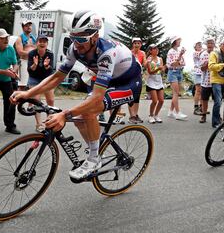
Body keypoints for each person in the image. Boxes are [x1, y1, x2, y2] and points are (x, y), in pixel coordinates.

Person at [10, 10, 142, 179]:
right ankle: (96, 147)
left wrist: (64, 114)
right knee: (80, 119)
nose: (76, 44)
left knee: (88, 111)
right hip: (110, 80)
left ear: (94, 37)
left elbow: (96, 98)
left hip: (129, 83)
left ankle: (94, 158)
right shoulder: (74, 49)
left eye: (81, 40)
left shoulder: (106, 53)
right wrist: (28, 93)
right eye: (74, 38)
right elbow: (57, 77)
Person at [27, 34, 55, 132]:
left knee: (50, 100)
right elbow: (30, 71)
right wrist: (34, 64)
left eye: (44, 41)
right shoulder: (31, 54)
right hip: (34, 79)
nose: (42, 43)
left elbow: (51, 69)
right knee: (37, 101)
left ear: (47, 44)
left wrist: (46, 66)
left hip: (47, 79)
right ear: (36, 43)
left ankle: (49, 122)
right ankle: (39, 124)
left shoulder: (50, 54)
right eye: (40, 41)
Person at [208, 38, 224, 128]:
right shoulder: (214, 53)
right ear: (220, 45)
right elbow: (211, 66)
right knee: (218, 102)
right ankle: (216, 123)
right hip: (216, 81)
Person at [166, 36, 187, 120]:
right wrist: (180, 56)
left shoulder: (178, 51)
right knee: (176, 93)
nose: (180, 42)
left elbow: (183, 63)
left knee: (175, 93)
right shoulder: (171, 51)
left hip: (179, 72)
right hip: (173, 72)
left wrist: (179, 60)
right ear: (174, 41)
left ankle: (171, 111)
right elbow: (172, 64)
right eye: (178, 40)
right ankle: (178, 113)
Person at [145, 44, 165, 123]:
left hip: (159, 80)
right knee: (155, 101)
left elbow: (162, 69)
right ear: (150, 51)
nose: (156, 50)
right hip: (151, 81)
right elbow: (150, 71)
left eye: (157, 49)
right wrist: (158, 69)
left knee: (161, 100)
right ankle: (151, 115)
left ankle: (156, 115)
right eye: (154, 49)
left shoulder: (160, 59)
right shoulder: (149, 59)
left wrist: (163, 69)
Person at [15, 20, 37, 90]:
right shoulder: (19, 38)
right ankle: (18, 100)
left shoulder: (33, 38)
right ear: (23, 27)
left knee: (33, 85)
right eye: (26, 26)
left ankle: (31, 100)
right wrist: (31, 53)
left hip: (33, 63)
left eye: (30, 25)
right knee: (22, 86)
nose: (29, 27)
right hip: (24, 62)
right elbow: (20, 52)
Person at [128, 37, 146, 124]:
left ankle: (135, 114)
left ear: (141, 44)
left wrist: (148, 62)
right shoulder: (129, 52)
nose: (137, 45)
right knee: (130, 96)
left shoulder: (142, 53)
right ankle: (131, 116)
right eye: (135, 43)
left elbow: (144, 63)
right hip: (130, 77)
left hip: (138, 76)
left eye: (139, 43)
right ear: (133, 44)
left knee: (137, 97)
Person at [199, 38, 215, 123]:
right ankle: (203, 115)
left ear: (214, 44)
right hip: (205, 81)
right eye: (208, 43)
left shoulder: (217, 53)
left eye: (211, 43)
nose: (210, 45)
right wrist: (207, 65)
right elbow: (202, 68)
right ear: (206, 44)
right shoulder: (203, 54)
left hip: (216, 80)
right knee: (204, 99)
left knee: (217, 100)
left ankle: (217, 116)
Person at [193, 41, 203, 115]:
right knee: (198, 90)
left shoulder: (203, 52)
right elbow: (201, 54)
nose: (199, 45)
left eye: (200, 44)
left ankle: (202, 107)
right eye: (198, 45)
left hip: (204, 73)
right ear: (195, 47)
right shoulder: (195, 53)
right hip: (197, 73)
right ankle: (196, 108)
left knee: (203, 91)